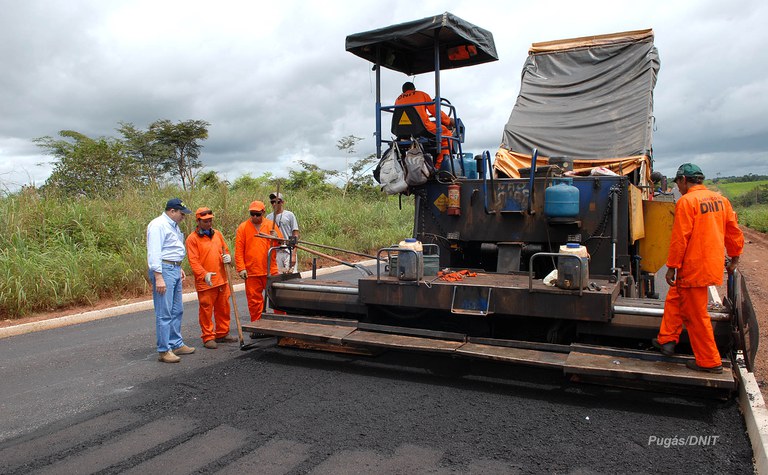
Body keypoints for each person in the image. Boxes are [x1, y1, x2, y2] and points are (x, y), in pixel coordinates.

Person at [652, 163, 744, 373]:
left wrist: (671, 266)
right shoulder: (721, 200)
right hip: (709, 264)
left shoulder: (687, 201)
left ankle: (709, 361)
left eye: (679, 183)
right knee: (675, 296)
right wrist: (735, 258)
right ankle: (667, 340)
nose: (679, 187)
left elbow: (680, 238)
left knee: (696, 315)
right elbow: (734, 232)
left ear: (684, 180)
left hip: (692, 267)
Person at [147, 198, 196, 363]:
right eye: (181, 214)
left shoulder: (173, 226)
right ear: (172, 211)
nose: (183, 217)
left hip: (173, 268)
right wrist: (158, 276)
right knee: (164, 312)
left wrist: (178, 267)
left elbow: (171, 249)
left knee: (177, 309)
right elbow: (154, 252)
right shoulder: (158, 225)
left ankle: (176, 343)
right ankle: (164, 349)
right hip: (164, 270)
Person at [185, 207, 237, 349]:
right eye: (205, 221)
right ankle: (208, 337)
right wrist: (204, 274)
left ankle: (222, 333)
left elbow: (224, 250)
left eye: (210, 220)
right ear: (198, 221)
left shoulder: (218, 234)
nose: (209, 223)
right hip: (206, 282)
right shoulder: (192, 239)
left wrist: (228, 257)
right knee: (206, 310)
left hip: (221, 279)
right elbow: (193, 261)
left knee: (223, 308)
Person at [234, 200, 283, 322]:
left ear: (263, 212)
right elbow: (239, 250)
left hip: (270, 270)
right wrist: (241, 268)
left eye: (258, 214)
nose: (255, 217)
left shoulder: (271, 225)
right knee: (254, 301)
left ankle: (282, 324)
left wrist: (277, 237)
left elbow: (281, 244)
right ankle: (257, 326)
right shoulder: (243, 227)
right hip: (252, 272)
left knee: (277, 299)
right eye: (252, 214)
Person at [395, 81, 455, 169]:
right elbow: (435, 112)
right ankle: (440, 167)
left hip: (402, 130)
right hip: (422, 128)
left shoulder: (398, 99)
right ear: (414, 89)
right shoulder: (422, 95)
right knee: (447, 135)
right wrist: (448, 121)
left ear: (403, 91)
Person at [266, 192, 300, 273]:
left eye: (277, 202)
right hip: (276, 251)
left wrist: (294, 254)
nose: (274, 204)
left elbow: (295, 235)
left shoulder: (289, 215)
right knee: (278, 277)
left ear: (282, 202)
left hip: (288, 250)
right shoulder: (268, 217)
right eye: (272, 202)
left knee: (291, 276)